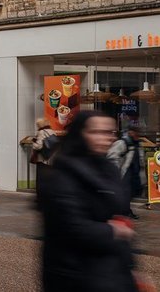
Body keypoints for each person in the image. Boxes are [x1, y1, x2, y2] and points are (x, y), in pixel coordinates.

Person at [37, 110, 141, 291]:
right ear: (80, 133)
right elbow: (70, 226)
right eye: (96, 132)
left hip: (111, 272)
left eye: (110, 132)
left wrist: (131, 268)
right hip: (75, 274)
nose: (106, 138)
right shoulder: (61, 173)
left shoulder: (109, 168)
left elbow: (119, 216)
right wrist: (114, 230)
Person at [108, 124, 145, 219]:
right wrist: (115, 172)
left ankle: (124, 211)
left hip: (134, 173)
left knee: (130, 194)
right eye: (136, 132)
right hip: (125, 173)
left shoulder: (137, 144)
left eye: (138, 133)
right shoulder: (123, 142)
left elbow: (140, 159)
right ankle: (122, 212)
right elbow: (112, 157)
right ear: (130, 132)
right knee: (125, 194)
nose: (137, 135)